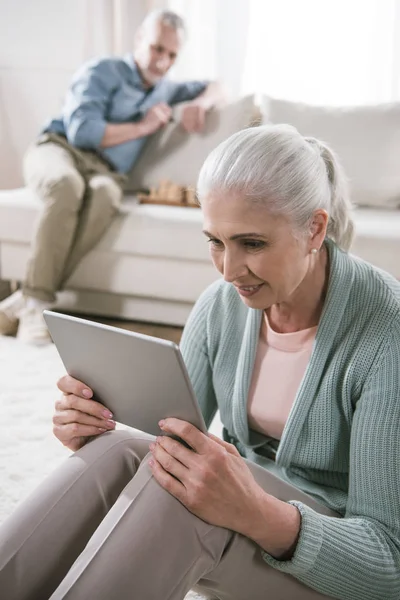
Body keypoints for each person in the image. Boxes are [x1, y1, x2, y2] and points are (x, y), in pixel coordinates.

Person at [1, 124, 399, 600]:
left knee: (181, 501)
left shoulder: (386, 334)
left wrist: (253, 511)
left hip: (335, 565)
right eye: (215, 240)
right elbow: (163, 443)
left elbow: (388, 566)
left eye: (252, 244)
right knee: (123, 453)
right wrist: (92, 428)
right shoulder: (222, 305)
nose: (229, 271)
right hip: (258, 510)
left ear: (314, 228)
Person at [0, 9, 224, 345]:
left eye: (172, 55)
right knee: (66, 187)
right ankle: (36, 303)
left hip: (106, 173)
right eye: (157, 48)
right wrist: (143, 126)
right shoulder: (102, 71)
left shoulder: (165, 88)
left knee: (105, 196)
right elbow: (82, 132)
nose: (162, 62)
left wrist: (202, 103)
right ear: (138, 41)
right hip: (59, 150)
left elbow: (217, 85)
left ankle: (29, 298)